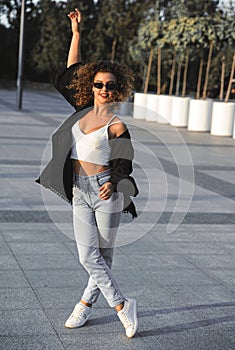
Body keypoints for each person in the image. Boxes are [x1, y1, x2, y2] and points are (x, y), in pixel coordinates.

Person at [36, 8, 139, 338]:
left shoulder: (116, 124)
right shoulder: (80, 111)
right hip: (80, 191)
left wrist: (115, 180)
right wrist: (76, 34)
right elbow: (69, 71)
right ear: (90, 86)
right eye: (98, 84)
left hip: (106, 191)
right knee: (88, 256)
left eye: (110, 86)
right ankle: (123, 306)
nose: (104, 89)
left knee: (102, 257)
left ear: (117, 89)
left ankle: (84, 304)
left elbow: (125, 161)